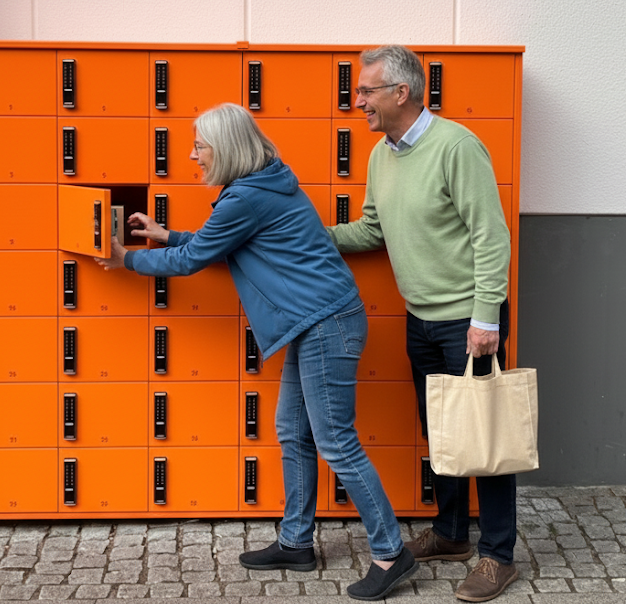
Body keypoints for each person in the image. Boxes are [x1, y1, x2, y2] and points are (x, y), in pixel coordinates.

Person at [96, 102, 416, 601]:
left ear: (224, 149)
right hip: (315, 322)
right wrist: (169, 235)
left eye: (199, 146)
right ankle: (295, 542)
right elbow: (216, 243)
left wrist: (127, 259)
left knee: (336, 441)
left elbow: (193, 259)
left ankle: (391, 551)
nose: (192, 155)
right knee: (294, 430)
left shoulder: (244, 198)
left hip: (325, 324)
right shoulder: (263, 183)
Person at [326, 46, 517, 602]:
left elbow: (490, 235)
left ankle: (497, 556)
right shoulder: (380, 156)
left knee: (484, 436)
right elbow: (370, 230)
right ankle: (454, 534)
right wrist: (312, 237)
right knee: (442, 434)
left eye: (366, 91)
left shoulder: (455, 146)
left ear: (401, 93)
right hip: (422, 317)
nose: (356, 100)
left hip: (467, 319)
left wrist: (486, 317)